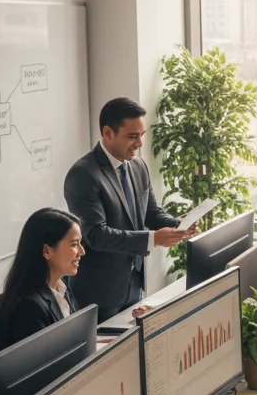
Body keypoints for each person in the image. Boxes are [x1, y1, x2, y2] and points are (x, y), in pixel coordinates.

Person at [64, 98, 195, 323]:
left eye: (141, 135)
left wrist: (177, 225)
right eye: (132, 136)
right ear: (108, 133)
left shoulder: (138, 165)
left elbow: (150, 212)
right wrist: (153, 239)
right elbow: (96, 235)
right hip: (99, 294)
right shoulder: (83, 175)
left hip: (133, 286)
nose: (139, 144)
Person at [0, 208, 85, 351]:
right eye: (74, 244)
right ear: (47, 251)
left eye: (80, 243)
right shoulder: (28, 307)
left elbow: (76, 339)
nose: (82, 251)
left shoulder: (62, 288)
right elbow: (46, 360)